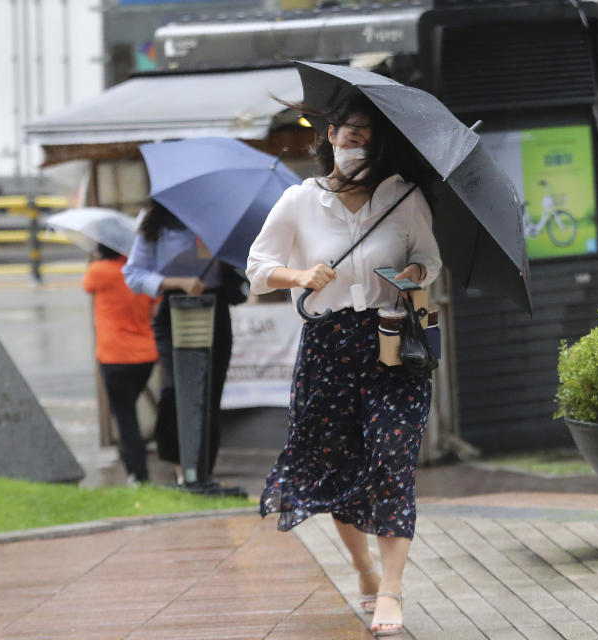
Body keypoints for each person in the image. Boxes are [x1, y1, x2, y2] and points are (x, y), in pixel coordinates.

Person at [246, 93, 442, 637]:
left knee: (393, 458)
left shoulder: (405, 197)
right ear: (330, 136)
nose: (358, 148)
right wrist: (299, 276)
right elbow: (258, 267)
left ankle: (392, 590)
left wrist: (415, 276)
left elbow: (430, 257)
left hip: (390, 342)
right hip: (328, 346)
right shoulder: (299, 201)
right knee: (338, 467)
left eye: (369, 139)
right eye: (350, 137)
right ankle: (363, 567)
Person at [122, 202, 234, 485]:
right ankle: (182, 468)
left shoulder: (218, 216)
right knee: (176, 389)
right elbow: (134, 274)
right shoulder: (154, 220)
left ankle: (204, 471)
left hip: (215, 308)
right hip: (175, 309)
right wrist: (177, 282)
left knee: (210, 390)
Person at [82, 241, 158, 484]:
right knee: (128, 412)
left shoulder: (99, 271)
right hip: (145, 355)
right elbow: (153, 307)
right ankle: (132, 458)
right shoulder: (141, 273)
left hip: (114, 355)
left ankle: (138, 473)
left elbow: (87, 286)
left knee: (124, 416)